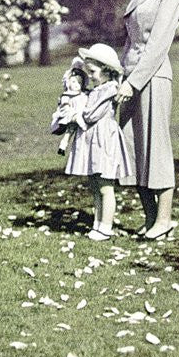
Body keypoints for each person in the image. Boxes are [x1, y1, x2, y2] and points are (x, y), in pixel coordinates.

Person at [116, 0, 179, 240]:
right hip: (129, 78)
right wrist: (119, 76)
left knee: (156, 147)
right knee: (132, 147)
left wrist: (134, 81)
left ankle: (165, 219)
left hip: (152, 77)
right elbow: (129, 41)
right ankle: (151, 217)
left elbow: (157, 45)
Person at [63, 42, 132, 241]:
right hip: (93, 139)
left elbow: (91, 114)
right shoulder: (96, 90)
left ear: (107, 71)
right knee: (95, 184)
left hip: (104, 140)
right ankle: (98, 223)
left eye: (92, 71)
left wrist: (76, 110)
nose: (90, 76)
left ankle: (106, 226)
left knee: (105, 185)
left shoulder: (109, 89)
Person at [50, 58, 89, 155]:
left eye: (79, 83)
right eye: (74, 82)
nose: (76, 85)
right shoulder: (67, 95)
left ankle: (63, 146)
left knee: (70, 131)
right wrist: (70, 113)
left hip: (81, 114)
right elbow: (64, 106)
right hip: (72, 115)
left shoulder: (83, 94)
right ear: (68, 82)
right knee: (73, 126)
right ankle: (63, 145)